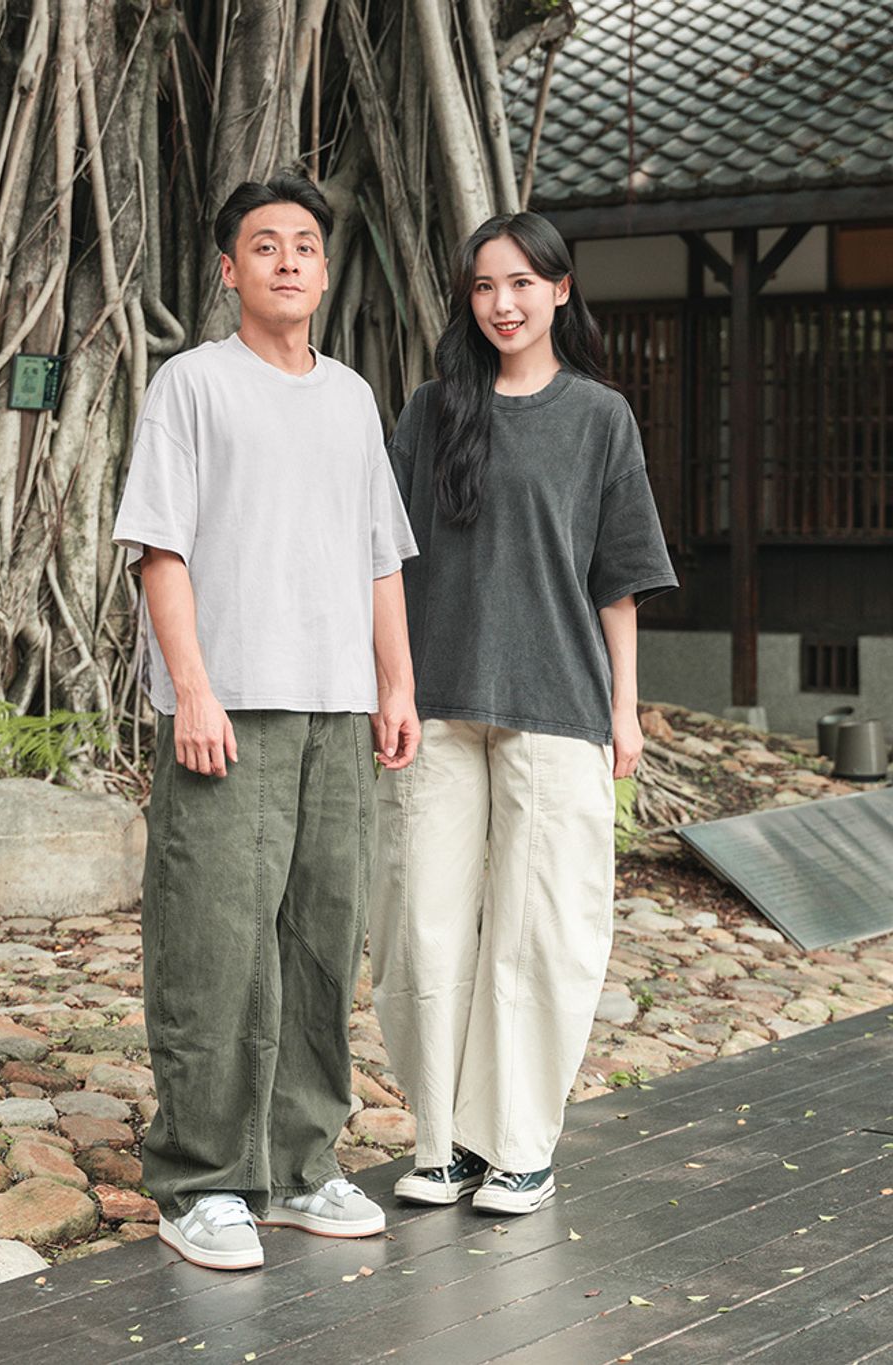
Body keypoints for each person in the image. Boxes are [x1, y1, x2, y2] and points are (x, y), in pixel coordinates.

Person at [112, 173, 420, 1270]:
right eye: (264, 244)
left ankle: (299, 1165)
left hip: (339, 708)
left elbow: (379, 555)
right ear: (229, 269)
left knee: (323, 937)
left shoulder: (352, 397)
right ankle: (200, 1179)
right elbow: (160, 547)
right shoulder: (192, 384)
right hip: (231, 707)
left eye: (304, 244)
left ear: (325, 270)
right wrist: (191, 687)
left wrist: (397, 682)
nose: (287, 259)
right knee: (212, 940)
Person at [369, 212, 678, 1217]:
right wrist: (390, 683)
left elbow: (618, 581)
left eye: (520, 283)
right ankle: (445, 1141)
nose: (502, 304)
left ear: (559, 289)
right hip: (436, 703)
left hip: (557, 702)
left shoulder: (599, 417)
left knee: (541, 933)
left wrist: (624, 711)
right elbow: (383, 559)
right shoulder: (430, 411)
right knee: (420, 929)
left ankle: (518, 1147)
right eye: (483, 286)